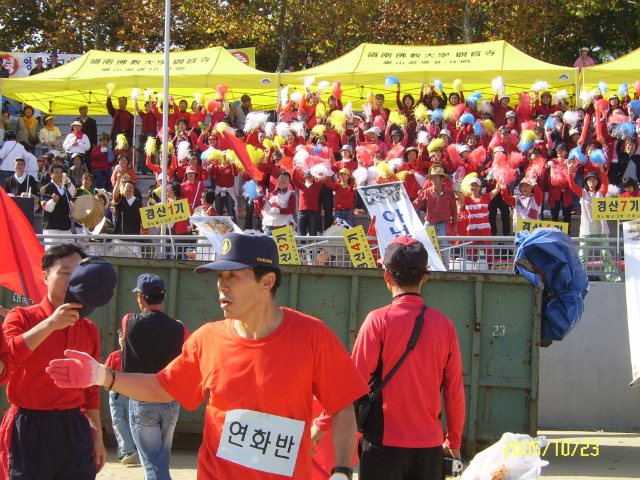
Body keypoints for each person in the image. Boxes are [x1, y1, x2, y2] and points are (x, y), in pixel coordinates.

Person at [47, 232, 369, 480]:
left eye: (233, 276)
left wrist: (341, 470)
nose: (221, 286)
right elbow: (163, 387)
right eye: (219, 276)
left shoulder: (313, 336)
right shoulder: (208, 338)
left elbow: (342, 405)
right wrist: (102, 376)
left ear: (266, 281)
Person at [352, 236, 465, 480]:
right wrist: (453, 441)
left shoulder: (377, 320)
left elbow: (353, 382)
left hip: (382, 444)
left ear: (387, 276)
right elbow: (454, 390)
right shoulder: (445, 326)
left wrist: (328, 429)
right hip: (429, 448)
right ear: (425, 276)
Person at [1, 245, 105, 479]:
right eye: (65, 273)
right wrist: (49, 324)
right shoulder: (21, 317)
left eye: (78, 274)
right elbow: (8, 362)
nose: (72, 281)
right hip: (27, 426)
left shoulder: (88, 328)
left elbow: (91, 390)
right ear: (45, 276)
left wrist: (97, 437)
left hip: (73, 427)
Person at [121, 274, 189, 479]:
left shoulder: (129, 321)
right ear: (164, 296)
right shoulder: (179, 327)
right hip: (170, 399)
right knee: (160, 460)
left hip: (141, 399)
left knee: (152, 464)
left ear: (140, 297)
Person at [105, 329, 138, 465]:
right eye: (120, 338)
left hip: (130, 393)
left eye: (124, 338)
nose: (121, 340)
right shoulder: (114, 356)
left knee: (129, 421)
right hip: (117, 393)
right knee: (119, 420)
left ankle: (128, 450)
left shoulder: (135, 357)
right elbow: (106, 372)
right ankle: (126, 451)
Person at [412, 164, 458, 248]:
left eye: (435, 178)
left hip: (443, 224)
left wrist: (454, 225)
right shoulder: (427, 192)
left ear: (442, 179)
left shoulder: (450, 193)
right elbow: (416, 204)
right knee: (427, 249)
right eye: (432, 178)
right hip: (429, 223)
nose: (433, 180)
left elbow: (454, 211)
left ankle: (444, 262)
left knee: (444, 250)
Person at [41, 164, 76, 248]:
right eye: (56, 173)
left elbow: (73, 194)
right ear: (51, 175)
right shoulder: (47, 188)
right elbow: (45, 207)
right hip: (52, 227)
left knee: (66, 253)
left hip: (65, 226)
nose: (59, 175)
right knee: (52, 253)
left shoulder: (64, 188)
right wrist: (53, 201)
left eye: (61, 173)